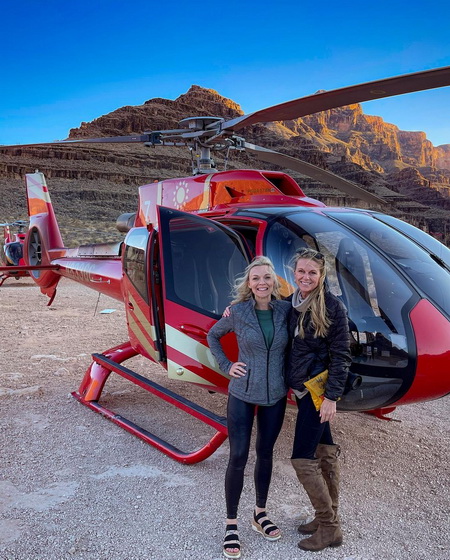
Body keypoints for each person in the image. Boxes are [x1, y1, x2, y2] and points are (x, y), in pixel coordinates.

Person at [207, 256, 291, 559]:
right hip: (242, 393)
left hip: (276, 395)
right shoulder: (238, 312)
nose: (262, 283)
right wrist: (227, 365)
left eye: (267, 277)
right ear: (249, 283)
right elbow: (213, 335)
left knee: (265, 453)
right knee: (239, 456)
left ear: (274, 282)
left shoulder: (285, 310)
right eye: (256, 278)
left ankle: (260, 513)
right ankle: (231, 524)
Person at [286, 247, 351, 552]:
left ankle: (329, 527)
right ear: (294, 272)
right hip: (303, 391)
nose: (306, 277)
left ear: (321, 274)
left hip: (318, 393)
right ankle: (328, 516)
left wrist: (332, 397)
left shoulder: (333, 308)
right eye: (301, 271)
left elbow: (341, 355)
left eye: (313, 272)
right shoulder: (291, 303)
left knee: (302, 457)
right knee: (325, 451)